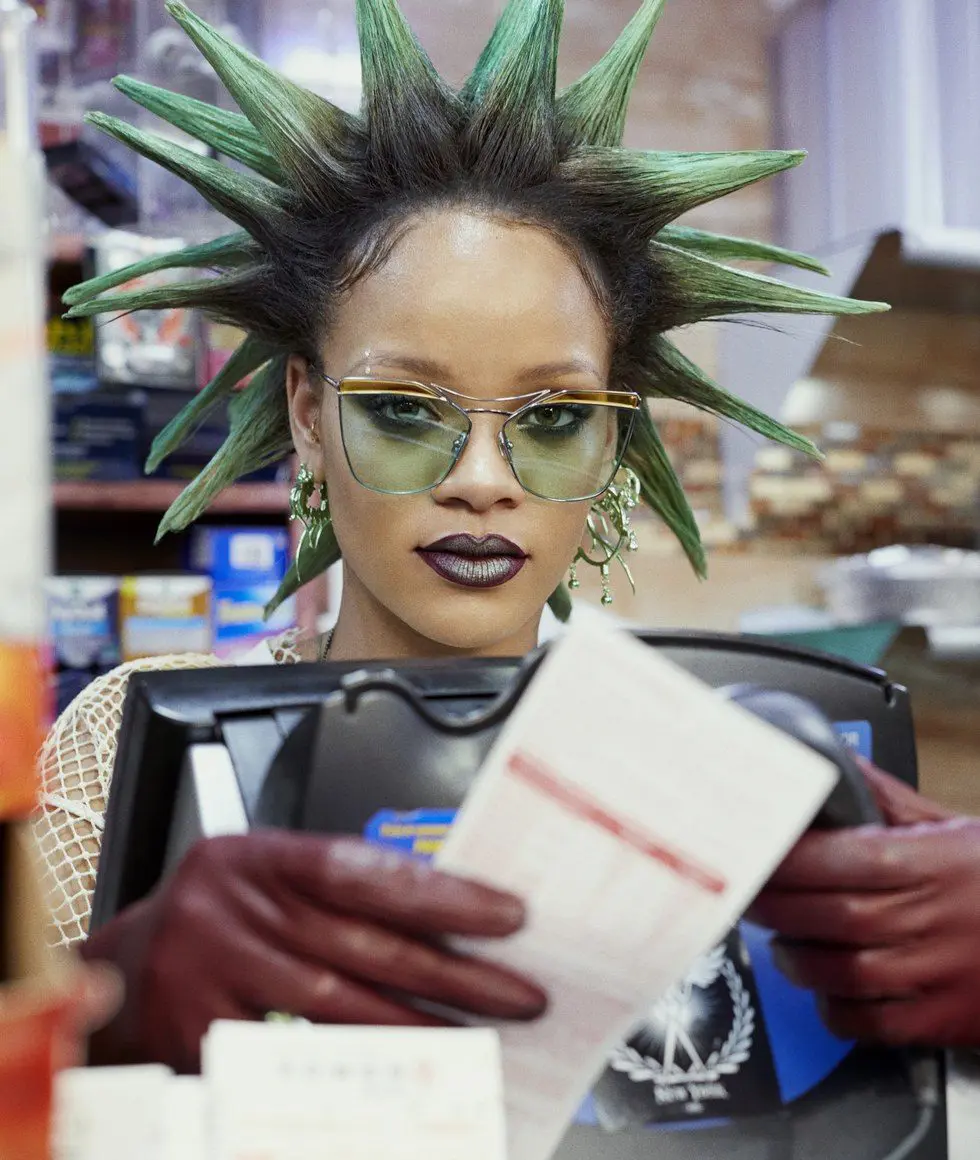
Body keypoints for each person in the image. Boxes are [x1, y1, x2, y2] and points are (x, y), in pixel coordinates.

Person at [35, 0, 977, 1072]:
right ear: (306, 411)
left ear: (613, 438)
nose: (481, 482)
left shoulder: (712, 771)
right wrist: (97, 1021)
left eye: (554, 418)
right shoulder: (130, 743)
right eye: (403, 409)